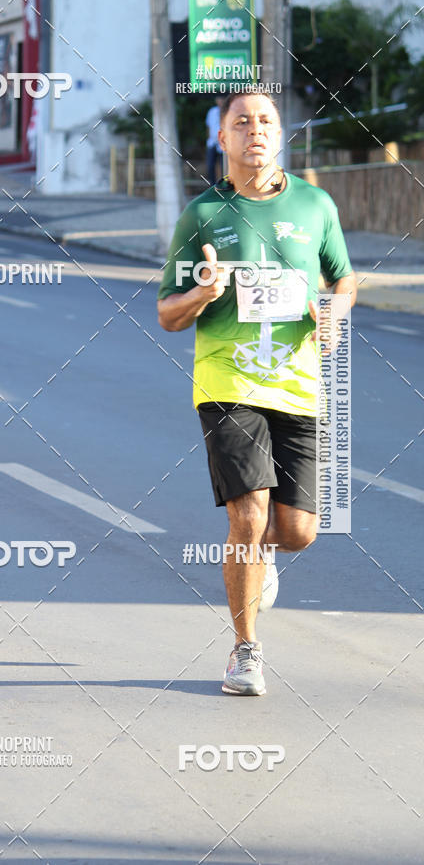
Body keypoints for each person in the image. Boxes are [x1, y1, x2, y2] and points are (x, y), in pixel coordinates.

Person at [157, 90, 357, 696]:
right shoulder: (202, 215)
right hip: (227, 380)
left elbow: (343, 276)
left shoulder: (316, 205)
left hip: (297, 383)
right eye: (241, 122)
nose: (256, 131)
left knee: (296, 531)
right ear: (223, 139)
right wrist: (201, 294)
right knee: (248, 516)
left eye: (266, 121)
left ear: (281, 134)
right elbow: (168, 314)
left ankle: (265, 557)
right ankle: (245, 651)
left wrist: (335, 309)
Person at [205, 95, 225, 185]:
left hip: (223, 143)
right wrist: (209, 139)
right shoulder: (212, 111)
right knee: (210, 165)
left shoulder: (227, 111)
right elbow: (208, 126)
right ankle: (212, 185)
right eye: (218, 99)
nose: (220, 101)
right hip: (212, 142)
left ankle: (223, 185)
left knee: (223, 166)